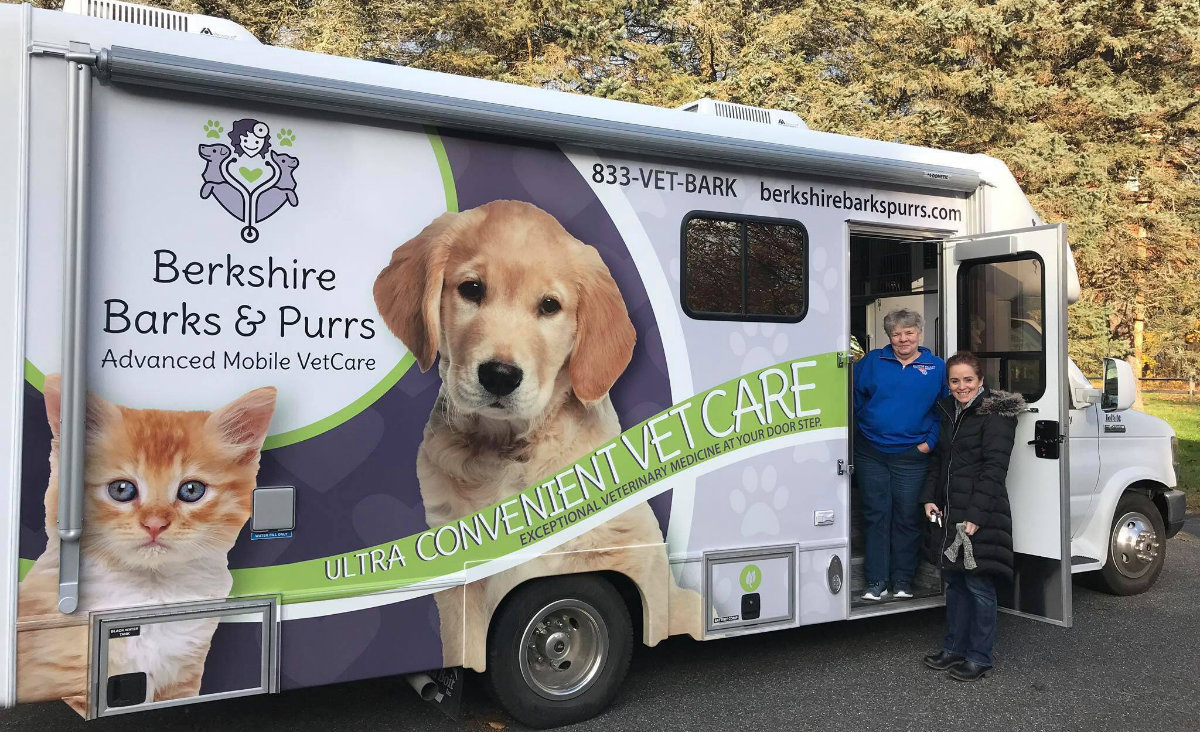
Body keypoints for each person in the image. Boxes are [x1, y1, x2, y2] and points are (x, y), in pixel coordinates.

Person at [920, 351, 1023, 681]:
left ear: (981, 380)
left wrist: (976, 515)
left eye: (968, 380)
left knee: (978, 584)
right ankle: (954, 648)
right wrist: (929, 498)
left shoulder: (996, 414)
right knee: (955, 582)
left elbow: (995, 469)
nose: (961, 386)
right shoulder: (950, 409)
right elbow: (941, 459)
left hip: (982, 512)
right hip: (951, 509)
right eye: (954, 380)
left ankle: (979, 655)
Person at [853, 309, 947, 601]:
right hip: (872, 453)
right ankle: (876, 582)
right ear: (889, 336)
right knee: (876, 516)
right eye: (896, 334)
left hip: (912, 455)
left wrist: (929, 443)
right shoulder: (871, 362)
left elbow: (944, 410)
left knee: (906, 517)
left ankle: (903, 580)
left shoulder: (937, 367)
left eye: (909, 333)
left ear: (920, 334)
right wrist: (861, 433)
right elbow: (852, 399)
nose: (903, 339)